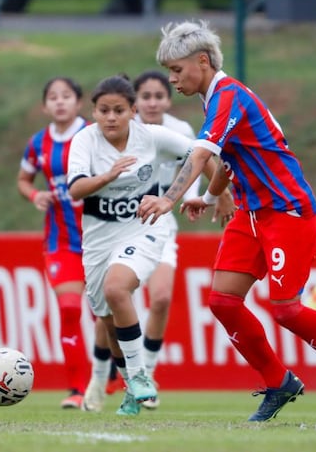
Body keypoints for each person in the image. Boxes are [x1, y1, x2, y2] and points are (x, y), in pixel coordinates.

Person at [137, 20, 316, 423]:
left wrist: (169, 199)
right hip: (251, 212)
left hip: (286, 210)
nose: (172, 78)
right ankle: (277, 380)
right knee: (222, 301)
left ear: (202, 61)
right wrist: (211, 196)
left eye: (177, 69)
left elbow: (200, 155)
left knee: (285, 309)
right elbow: (228, 161)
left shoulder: (228, 96)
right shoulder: (214, 99)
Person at [68, 75, 229, 416]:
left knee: (117, 289)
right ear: (93, 112)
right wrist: (107, 177)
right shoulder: (84, 141)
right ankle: (130, 387)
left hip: (143, 229)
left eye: (119, 110)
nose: (111, 117)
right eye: (104, 110)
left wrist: (220, 192)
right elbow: (76, 190)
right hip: (98, 238)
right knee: (107, 319)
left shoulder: (152, 137)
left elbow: (202, 151)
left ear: (133, 111)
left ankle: (142, 377)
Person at [17, 76, 91, 409]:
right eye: (52, 97)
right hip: (61, 239)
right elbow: (23, 179)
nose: (59, 101)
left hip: (101, 236)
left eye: (66, 96)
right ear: (45, 105)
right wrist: (34, 194)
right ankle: (77, 389)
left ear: (78, 102)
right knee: (69, 308)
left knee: (108, 314)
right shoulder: (37, 143)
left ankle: (115, 380)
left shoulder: (93, 134)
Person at [130, 70, 201, 410]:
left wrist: (193, 196)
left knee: (160, 299)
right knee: (113, 303)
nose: (153, 102)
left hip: (161, 225)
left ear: (169, 100)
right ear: (135, 101)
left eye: (159, 95)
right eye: (145, 96)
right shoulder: (122, 134)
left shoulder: (180, 131)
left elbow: (198, 163)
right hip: (122, 227)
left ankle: (147, 374)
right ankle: (102, 379)